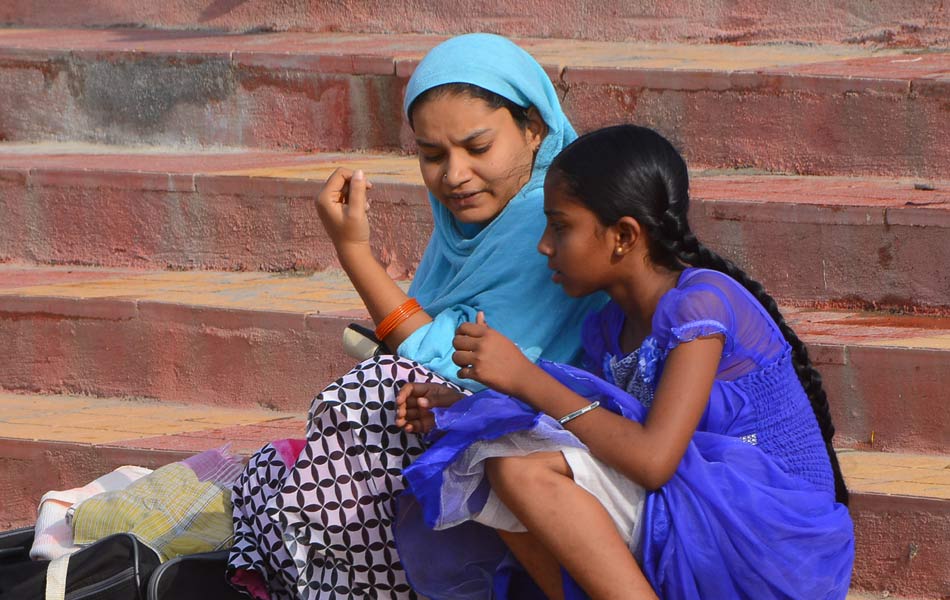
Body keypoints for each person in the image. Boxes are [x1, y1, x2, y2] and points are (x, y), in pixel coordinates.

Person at [395, 125, 856, 599]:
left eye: (560, 227)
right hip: (693, 513)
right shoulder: (608, 329)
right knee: (486, 461)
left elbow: (653, 461)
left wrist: (525, 378)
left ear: (623, 236)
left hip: (769, 540)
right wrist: (460, 405)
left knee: (517, 469)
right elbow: (588, 427)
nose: (544, 247)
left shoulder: (701, 306)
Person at [226, 34, 606, 600]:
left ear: (535, 129)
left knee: (368, 403)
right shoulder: (470, 229)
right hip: (480, 426)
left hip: (553, 440)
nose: (454, 174)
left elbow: (452, 363)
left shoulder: (546, 227)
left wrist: (354, 253)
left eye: (477, 147)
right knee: (264, 480)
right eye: (433, 155)